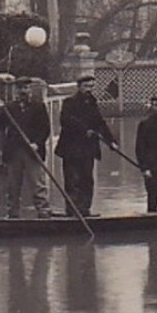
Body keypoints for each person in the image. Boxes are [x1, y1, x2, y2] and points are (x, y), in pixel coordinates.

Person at [55, 73, 117, 216]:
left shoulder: (92, 102)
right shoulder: (69, 102)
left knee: (87, 180)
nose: (89, 89)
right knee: (72, 180)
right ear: (79, 87)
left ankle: (85, 211)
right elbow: (66, 120)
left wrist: (111, 142)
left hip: (87, 149)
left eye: (91, 86)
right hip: (71, 149)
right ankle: (72, 212)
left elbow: (100, 123)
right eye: (86, 86)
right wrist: (85, 130)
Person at [0, 77, 51, 219]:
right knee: (13, 184)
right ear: (16, 90)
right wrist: (0, 111)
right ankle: (13, 212)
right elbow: (1, 126)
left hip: (32, 150)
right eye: (20, 88)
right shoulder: (9, 107)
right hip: (14, 151)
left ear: (30, 89)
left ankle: (43, 210)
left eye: (25, 88)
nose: (23, 91)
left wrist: (37, 143)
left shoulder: (38, 106)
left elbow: (45, 129)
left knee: (37, 182)